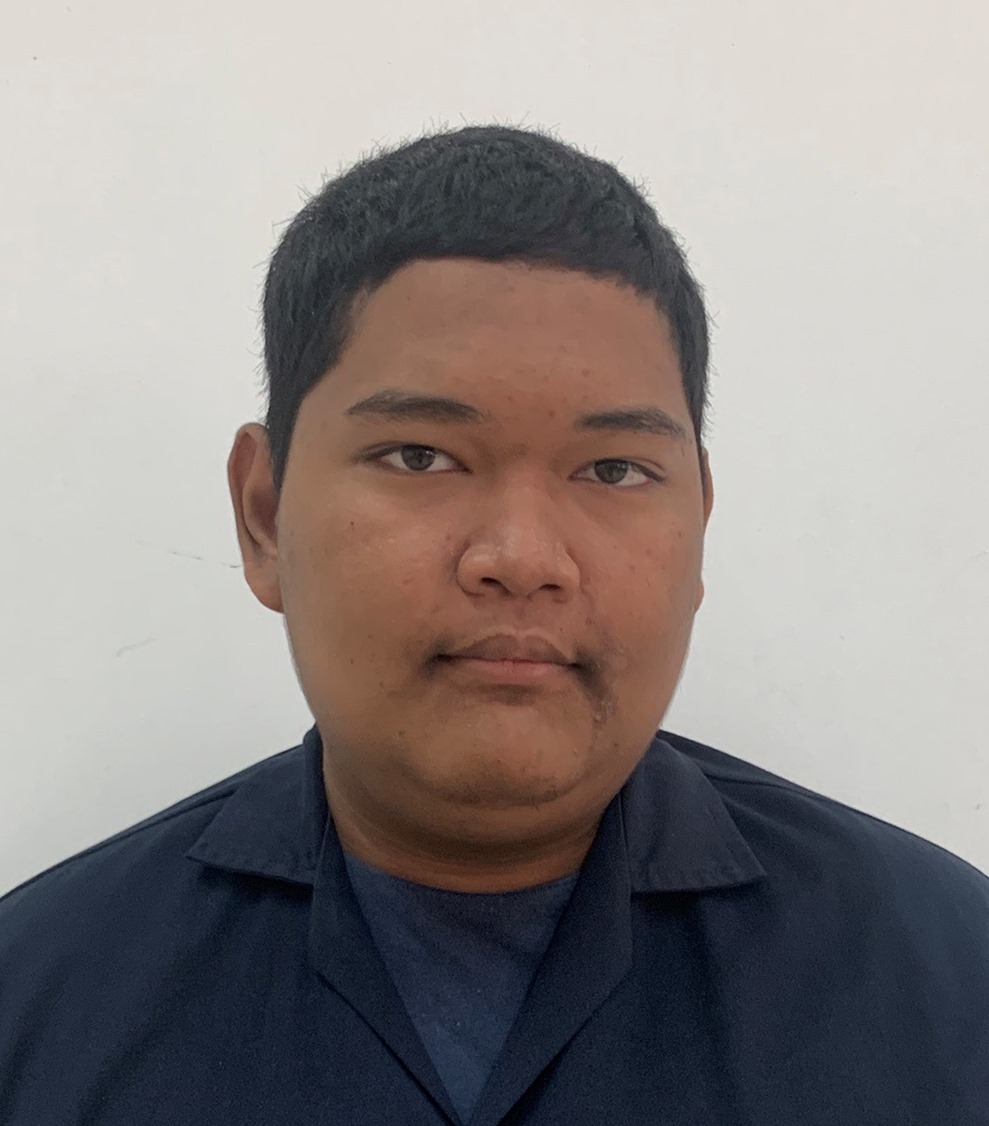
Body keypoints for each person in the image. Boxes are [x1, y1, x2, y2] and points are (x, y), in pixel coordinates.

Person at [1, 123, 986, 1126]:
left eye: (612, 469)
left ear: (698, 523)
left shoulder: (947, 987)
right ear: (263, 515)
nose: (520, 556)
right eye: (419, 456)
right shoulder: (38, 1009)